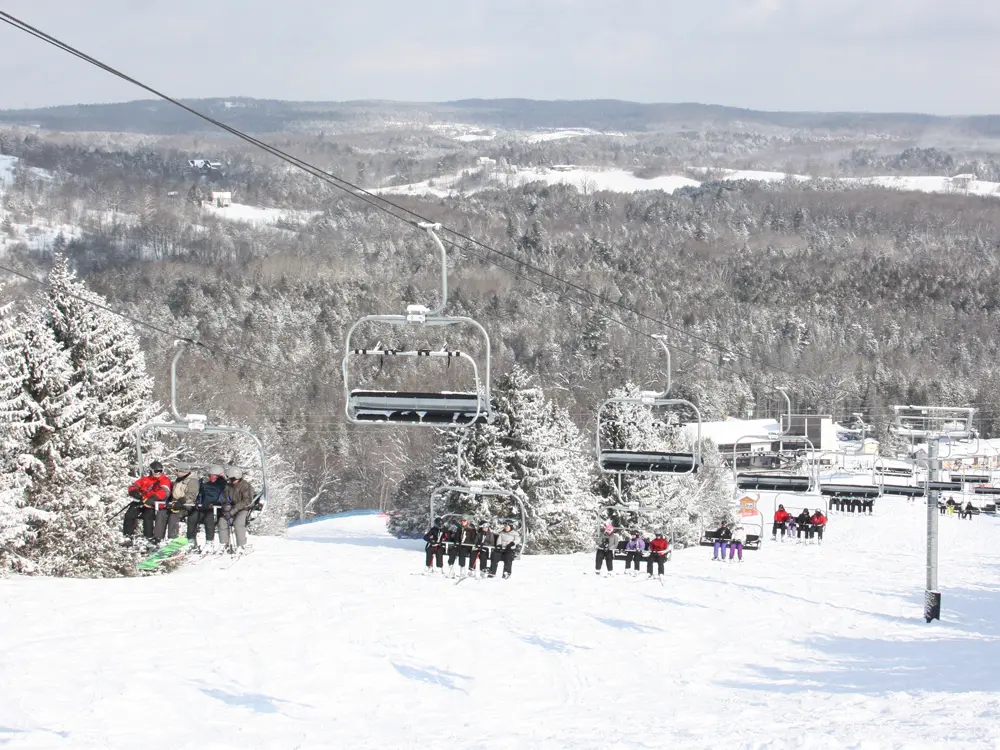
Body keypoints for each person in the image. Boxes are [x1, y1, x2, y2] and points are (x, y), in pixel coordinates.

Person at [124, 460, 172, 543]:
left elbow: (165, 492)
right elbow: (133, 486)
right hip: (142, 501)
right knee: (130, 514)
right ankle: (127, 535)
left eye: (160, 471)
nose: (158, 473)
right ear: (151, 471)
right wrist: (135, 492)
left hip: (152, 503)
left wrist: (153, 499)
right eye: (156, 471)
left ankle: (148, 536)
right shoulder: (145, 479)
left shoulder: (164, 480)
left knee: (148, 516)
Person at [153, 461, 198, 543]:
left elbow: (192, 495)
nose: (176, 472)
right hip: (174, 504)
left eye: (177, 471)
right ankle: (158, 538)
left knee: (174, 516)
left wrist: (181, 501)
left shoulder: (192, 481)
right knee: (161, 513)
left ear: (182, 471)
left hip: (186, 505)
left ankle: (172, 538)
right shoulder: (179, 480)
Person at [188, 465, 226, 552]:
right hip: (204, 507)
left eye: (213, 476)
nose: (211, 478)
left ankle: (209, 542)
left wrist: (216, 503)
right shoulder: (205, 485)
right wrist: (197, 502)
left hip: (216, 508)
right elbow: (201, 495)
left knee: (209, 518)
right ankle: (191, 540)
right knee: (193, 516)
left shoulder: (224, 486)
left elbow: (224, 497)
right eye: (210, 476)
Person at [217, 467, 255, 553]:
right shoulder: (228, 486)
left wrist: (233, 510)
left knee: (238, 523)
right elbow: (224, 497)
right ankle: (224, 544)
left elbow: (247, 501)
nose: (228, 480)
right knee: (222, 521)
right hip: (231, 508)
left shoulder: (246, 486)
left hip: (243, 509)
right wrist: (225, 505)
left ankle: (241, 545)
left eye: (229, 478)